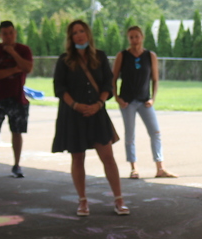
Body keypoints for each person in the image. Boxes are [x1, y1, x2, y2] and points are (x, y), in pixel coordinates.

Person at [52, 20, 128, 216]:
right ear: (70, 38)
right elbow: (59, 88)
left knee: (108, 157)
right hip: (73, 114)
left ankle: (119, 200)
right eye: (75, 33)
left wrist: (98, 104)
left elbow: (108, 85)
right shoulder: (64, 60)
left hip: (97, 112)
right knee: (78, 157)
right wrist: (76, 105)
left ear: (88, 34)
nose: (79, 35)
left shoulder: (100, 56)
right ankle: (83, 201)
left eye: (82, 31)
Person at [112, 25, 176, 180]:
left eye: (137, 36)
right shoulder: (122, 56)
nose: (134, 40)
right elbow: (113, 79)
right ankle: (134, 167)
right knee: (130, 134)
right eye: (131, 37)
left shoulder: (150, 56)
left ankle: (160, 167)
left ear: (142, 37)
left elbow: (155, 79)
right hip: (127, 101)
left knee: (155, 132)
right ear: (128, 39)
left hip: (144, 101)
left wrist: (153, 98)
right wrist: (117, 97)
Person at [0, 20, 33, 180]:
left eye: (11, 33)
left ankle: (16, 165)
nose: (8, 36)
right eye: (5, 34)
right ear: (0, 35)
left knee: (17, 132)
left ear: (15, 33)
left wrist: (13, 53)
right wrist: (15, 69)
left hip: (17, 98)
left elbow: (28, 68)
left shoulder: (23, 50)